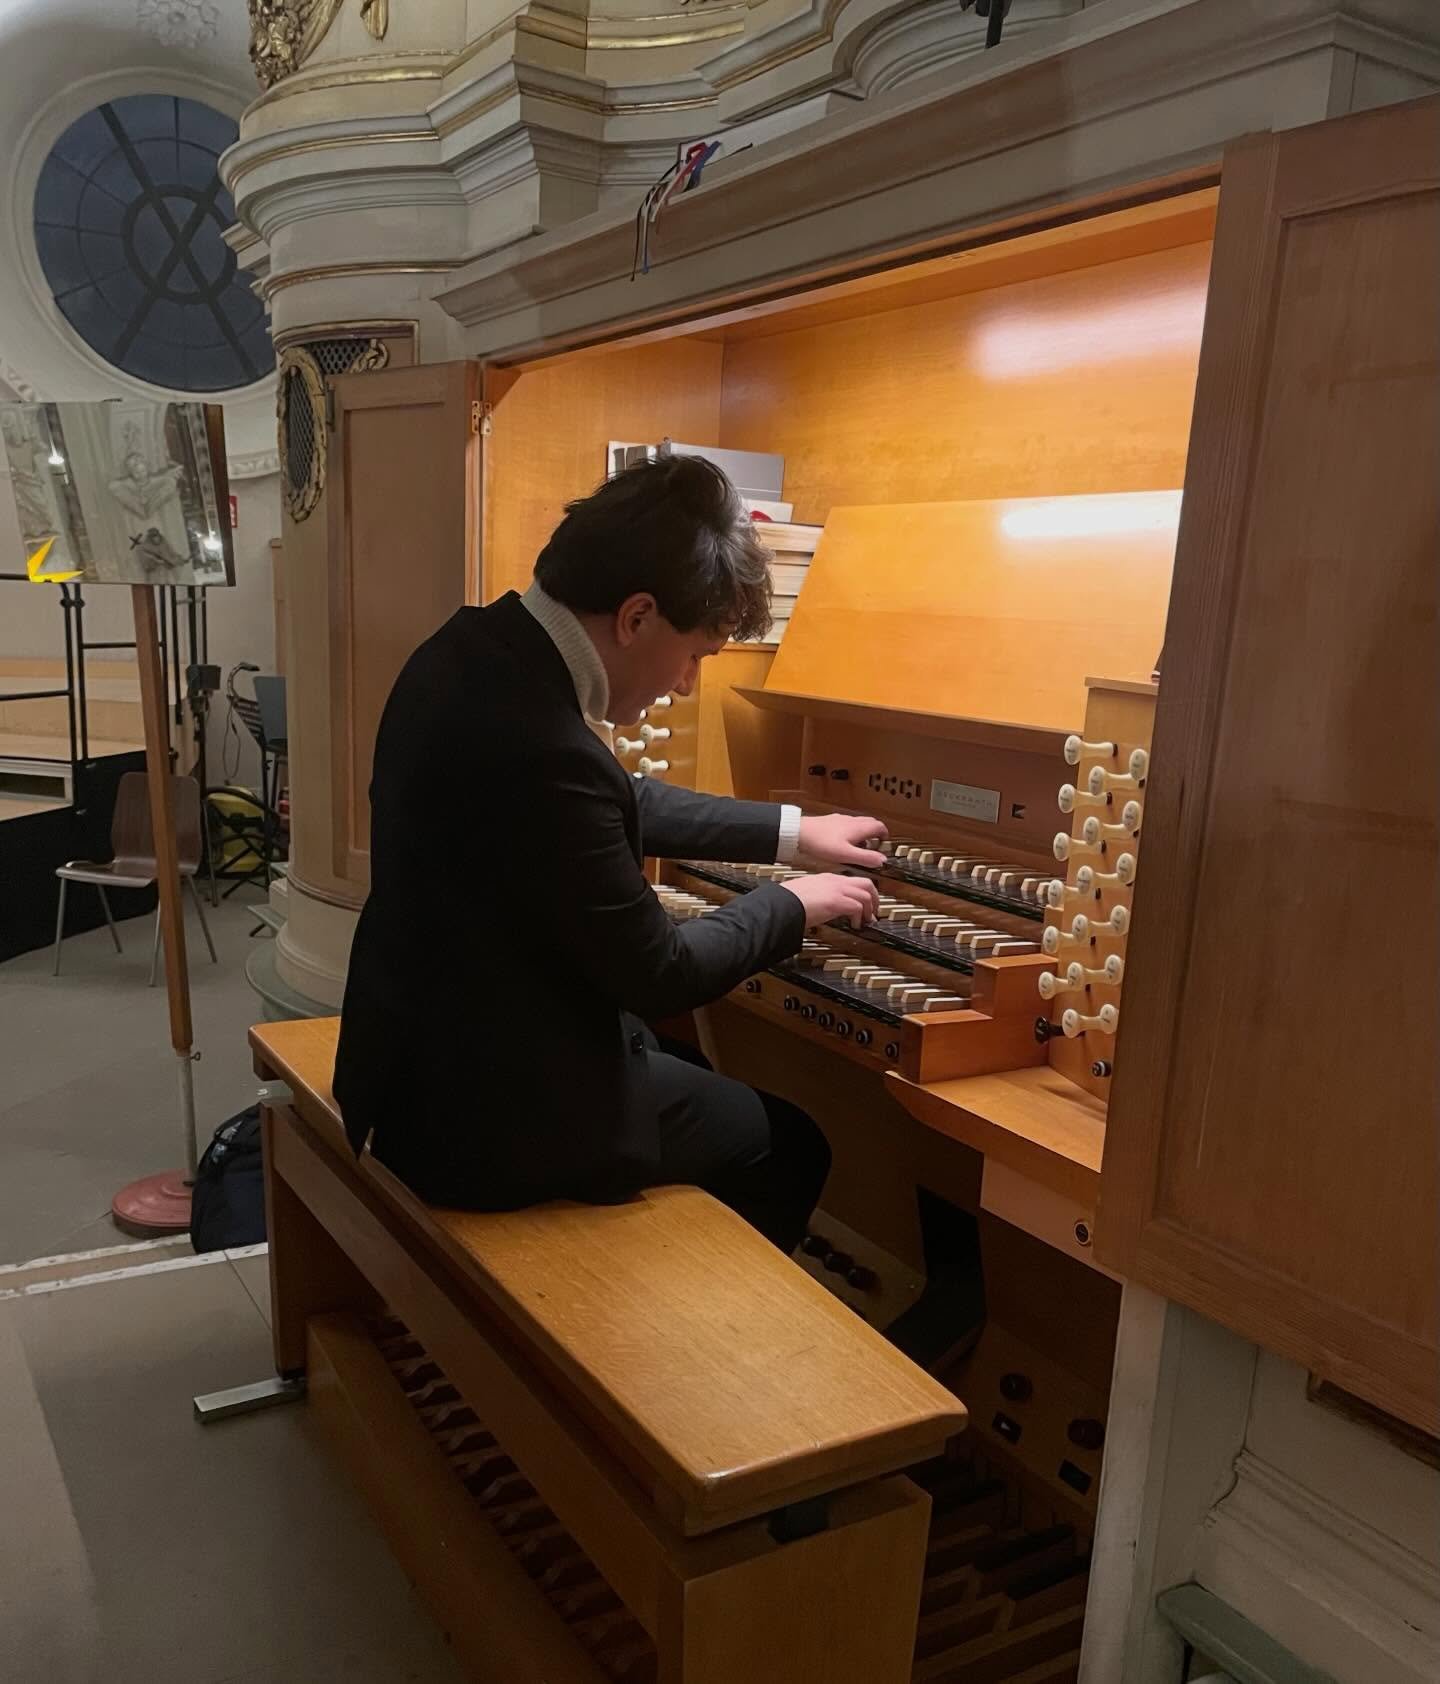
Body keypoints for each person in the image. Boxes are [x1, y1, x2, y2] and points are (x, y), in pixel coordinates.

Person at [334, 454, 886, 1253]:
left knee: (670, 1057)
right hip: (484, 1121)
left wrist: (794, 832)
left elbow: (612, 800)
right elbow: (657, 972)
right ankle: (680, 1349)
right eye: (696, 654)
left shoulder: (470, 651)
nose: (690, 685)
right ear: (636, 617)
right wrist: (794, 903)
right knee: (790, 1141)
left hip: (420, 1054)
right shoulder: (543, 745)